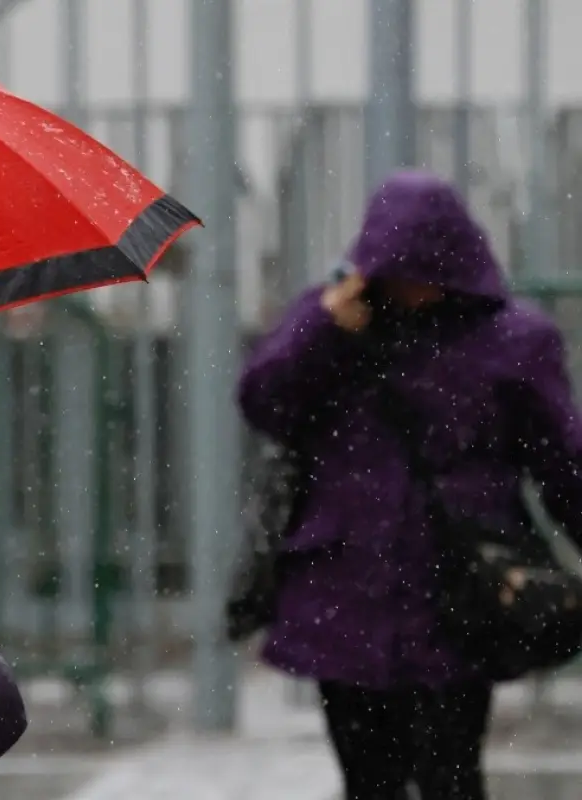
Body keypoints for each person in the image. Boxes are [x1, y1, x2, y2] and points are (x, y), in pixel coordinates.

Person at [237, 170, 582, 800]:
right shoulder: (334, 323)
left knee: (451, 775)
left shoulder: (511, 342)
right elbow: (265, 403)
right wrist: (323, 330)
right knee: (368, 781)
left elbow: (563, 461)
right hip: (343, 594)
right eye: (395, 271)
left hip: (456, 595)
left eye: (423, 271)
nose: (411, 288)